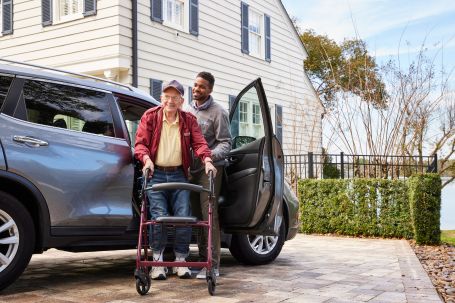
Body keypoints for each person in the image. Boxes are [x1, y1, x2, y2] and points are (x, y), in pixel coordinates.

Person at [135, 80, 216, 280]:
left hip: (179, 174)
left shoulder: (188, 119)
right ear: (161, 98)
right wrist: (146, 160)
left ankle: (181, 260)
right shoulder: (150, 117)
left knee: (183, 216)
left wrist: (207, 160)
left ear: (181, 100)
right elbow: (140, 145)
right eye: (167, 97)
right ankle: (158, 262)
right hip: (157, 174)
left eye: (175, 97)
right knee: (158, 216)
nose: (170, 101)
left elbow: (199, 143)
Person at [186, 72, 232, 279]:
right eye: (195, 85)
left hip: (210, 170)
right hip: (190, 170)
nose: (197, 89)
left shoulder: (218, 112)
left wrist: (208, 156)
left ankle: (212, 265)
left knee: (209, 215)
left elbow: (226, 143)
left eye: (202, 86)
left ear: (210, 90)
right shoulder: (187, 110)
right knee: (196, 217)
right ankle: (202, 259)